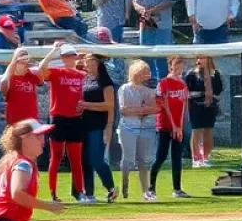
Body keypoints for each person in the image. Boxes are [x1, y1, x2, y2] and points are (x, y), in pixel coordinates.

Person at [38, 42, 87, 202]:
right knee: (56, 156)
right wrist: (53, 50)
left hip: (75, 118)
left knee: (75, 158)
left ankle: (80, 192)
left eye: (71, 55)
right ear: (62, 58)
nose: (69, 59)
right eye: (65, 56)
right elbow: (41, 69)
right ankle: (53, 193)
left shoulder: (82, 75)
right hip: (58, 117)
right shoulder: (56, 72)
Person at [117, 60, 159, 201]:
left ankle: (145, 191)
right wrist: (141, 110)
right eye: (143, 72)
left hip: (144, 127)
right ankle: (124, 185)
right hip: (128, 126)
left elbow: (155, 108)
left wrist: (140, 111)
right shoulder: (124, 88)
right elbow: (123, 110)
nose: (146, 76)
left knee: (143, 160)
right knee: (128, 159)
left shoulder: (148, 90)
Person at [151, 55, 191, 199]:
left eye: (182, 63)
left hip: (178, 126)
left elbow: (183, 107)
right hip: (164, 125)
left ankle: (177, 189)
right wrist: (174, 125)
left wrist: (179, 126)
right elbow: (164, 104)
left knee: (177, 157)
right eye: (177, 63)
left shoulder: (183, 84)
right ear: (170, 66)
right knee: (160, 157)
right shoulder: (163, 83)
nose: (180, 66)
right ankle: (151, 188)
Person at [79, 53, 117, 203]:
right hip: (84, 124)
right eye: (86, 61)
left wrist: (86, 105)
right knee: (85, 160)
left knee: (96, 159)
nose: (87, 64)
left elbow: (109, 105)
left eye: (90, 61)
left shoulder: (105, 82)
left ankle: (111, 187)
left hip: (98, 125)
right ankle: (89, 193)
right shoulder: (85, 79)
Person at [133, 0, 176, 79]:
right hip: (145, 26)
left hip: (162, 25)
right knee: (145, 56)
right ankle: (147, 82)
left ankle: (162, 84)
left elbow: (170, 0)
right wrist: (142, 10)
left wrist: (153, 10)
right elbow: (135, 1)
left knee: (162, 55)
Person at [185, 56, 222, 168]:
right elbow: (187, 89)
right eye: (198, 58)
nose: (200, 60)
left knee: (208, 130)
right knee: (196, 130)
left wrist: (210, 95)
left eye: (203, 58)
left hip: (210, 105)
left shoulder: (215, 74)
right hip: (196, 105)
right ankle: (195, 158)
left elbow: (219, 89)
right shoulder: (192, 74)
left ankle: (206, 158)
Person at [0, 48, 42, 125]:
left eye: (26, 63)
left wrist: (34, 63)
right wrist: (12, 64)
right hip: (15, 121)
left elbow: (41, 80)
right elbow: (3, 85)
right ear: (15, 63)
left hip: (32, 120)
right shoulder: (9, 78)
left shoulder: (30, 75)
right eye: (22, 63)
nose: (25, 65)